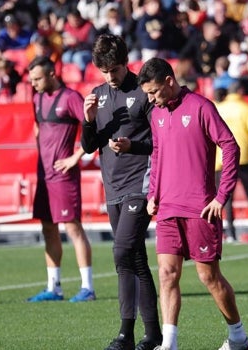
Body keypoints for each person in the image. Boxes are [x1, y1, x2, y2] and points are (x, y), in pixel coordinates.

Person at [138, 57, 248, 350]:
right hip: (167, 209)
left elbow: (230, 146)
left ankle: (237, 335)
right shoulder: (157, 115)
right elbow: (159, 154)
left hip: (200, 209)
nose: (150, 99)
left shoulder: (201, 107)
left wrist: (221, 196)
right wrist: (153, 194)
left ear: (169, 81)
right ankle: (170, 343)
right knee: (166, 274)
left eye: (153, 92)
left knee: (208, 277)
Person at [80, 34, 163, 350]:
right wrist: (88, 121)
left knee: (121, 251)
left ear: (124, 63)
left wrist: (134, 146)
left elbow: (159, 141)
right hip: (112, 186)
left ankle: (125, 333)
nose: (109, 77)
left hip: (139, 184)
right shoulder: (98, 95)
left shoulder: (142, 93)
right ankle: (152, 335)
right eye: (103, 71)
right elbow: (90, 147)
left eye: (114, 70)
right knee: (136, 259)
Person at [26, 56, 96, 303]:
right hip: (44, 176)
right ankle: (53, 287)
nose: (33, 84)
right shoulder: (36, 98)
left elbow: (92, 128)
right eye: (31, 79)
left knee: (73, 227)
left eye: (37, 78)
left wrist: (76, 156)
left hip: (64, 176)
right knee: (48, 229)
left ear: (52, 75)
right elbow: (39, 129)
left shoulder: (70, 98)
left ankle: (88, 287)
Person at [214, 81, 248, 244]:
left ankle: (229, 232)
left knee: (224, 197)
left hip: (221, 158)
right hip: (243, 157)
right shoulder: (247, 108)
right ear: (241, 91)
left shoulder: (218, 108)